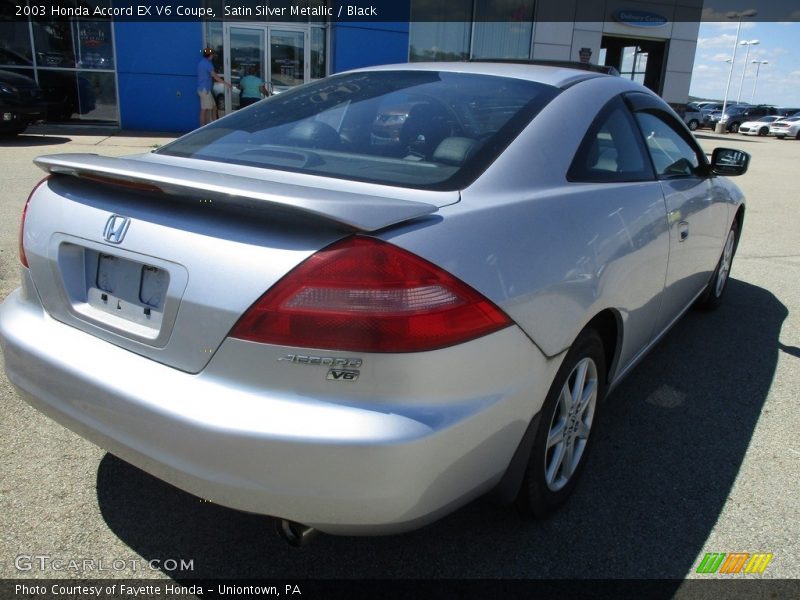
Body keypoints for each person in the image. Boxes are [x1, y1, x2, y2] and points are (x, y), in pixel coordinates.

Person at [197, 47, 230, 127]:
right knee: (204, 109)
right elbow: (214, 76)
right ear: (210, 55)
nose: (213, 56)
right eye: (212, 54)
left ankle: (213, 123)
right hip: (205, 90)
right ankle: (203, 127)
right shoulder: (208, 64)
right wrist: (226, 83)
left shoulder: (202, 62)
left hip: (204, 90)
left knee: (214, 106)